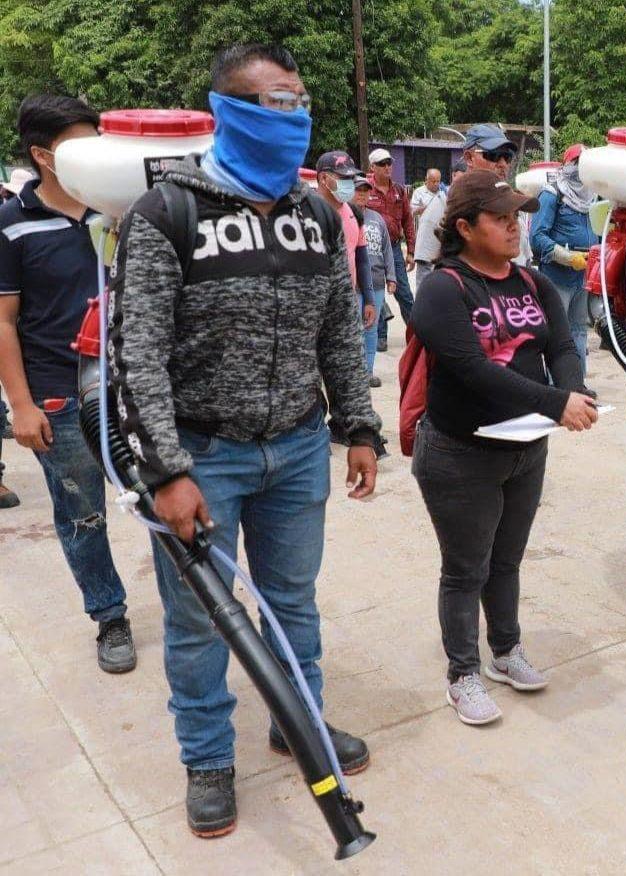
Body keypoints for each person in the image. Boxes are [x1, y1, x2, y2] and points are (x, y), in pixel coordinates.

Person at [110, 43, 380, 838]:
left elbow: (341, 332)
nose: (294, 118)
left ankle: (299, 724)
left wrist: (357, 425)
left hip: (297, 449)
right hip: (204, 456)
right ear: (227, 110)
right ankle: (208, 760)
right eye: (276, 103)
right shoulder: (168, 214)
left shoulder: (318, 215)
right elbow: (138, 354)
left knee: (293, 600)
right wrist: (165, 470)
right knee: (199, 624)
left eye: (300, 102)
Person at [409, 171, 596, 725]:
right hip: (459, 452)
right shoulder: (444, 288)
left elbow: (561, 345)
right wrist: (553, 403)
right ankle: (462, 673)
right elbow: (471, 370)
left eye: (517, 218)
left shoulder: (532, 282)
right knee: (466, 568)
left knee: (507, 560)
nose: (514, 229)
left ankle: (506, 651)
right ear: (465, 228)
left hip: (525, 447)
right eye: (501, 219)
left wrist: (573, 388)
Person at [0, 95, 135, 670]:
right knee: (83, 513)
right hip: (58, 396)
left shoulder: (120, 210)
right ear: (43, 155)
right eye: (81, 144)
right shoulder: (12, 227)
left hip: (130, 386)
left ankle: (191, 602)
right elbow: (3, 322)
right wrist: (22, 406)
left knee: (160, 495)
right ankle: (109, 616)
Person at [315, 150, 378, 426]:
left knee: (347, 364)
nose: (349, 185)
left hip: (347, 297)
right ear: (324, 179)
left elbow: (361, 257)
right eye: (343, 179)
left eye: (352, 179)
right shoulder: (307, 213)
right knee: (312, 368)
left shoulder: (352, 212)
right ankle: (314, 424)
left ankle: (348, 423)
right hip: (315, 301)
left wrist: (368, 299)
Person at [531, 143, 599, 384]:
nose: (582, 169)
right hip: (557, 277)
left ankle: (577, 384)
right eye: (578, 163)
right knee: (556, 333)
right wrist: (567, 258)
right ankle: (555, 385)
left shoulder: (593, 195)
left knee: (579, 331)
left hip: (584, 276)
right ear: (568, 166)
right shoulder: (552, 194)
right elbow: (537, 237)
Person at [365, 148, 415, 352]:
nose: (387, 167)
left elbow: (408, 221)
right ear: (372, 167)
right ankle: (380, 336)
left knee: (404, 292)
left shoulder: (399, 190)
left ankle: (417, 333)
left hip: (394, 248)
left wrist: (411, 250)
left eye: (389, 163)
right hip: (371, 249)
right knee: (376, 292)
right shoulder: (365, 189)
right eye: (382, 164)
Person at [460, 125, 533, 266]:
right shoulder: (453, 206)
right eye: (493, 155)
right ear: (469, 158)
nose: (503, 164)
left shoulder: (512, 202)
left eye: (507, 157)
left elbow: (524, 256)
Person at [353, 175, 396, 385]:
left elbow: (387, 250)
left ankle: (368, 372)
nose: (362, 194)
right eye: (358, 190)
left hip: (377, 282)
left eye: (365, 190)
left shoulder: (377, 219)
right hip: (353, 285)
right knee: (354, 329)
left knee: (371, 328)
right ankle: (355, 373)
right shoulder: (344, 216)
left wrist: (391, 277)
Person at [412, 168, 447, 271]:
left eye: (438, 181)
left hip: (439, 241)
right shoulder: (419, 192)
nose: (436, 184)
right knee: (423, 276)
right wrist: (425, 208)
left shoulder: (443, 193)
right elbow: (412, 211)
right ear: (426, 180)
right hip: (425, 240)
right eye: (433, 181)